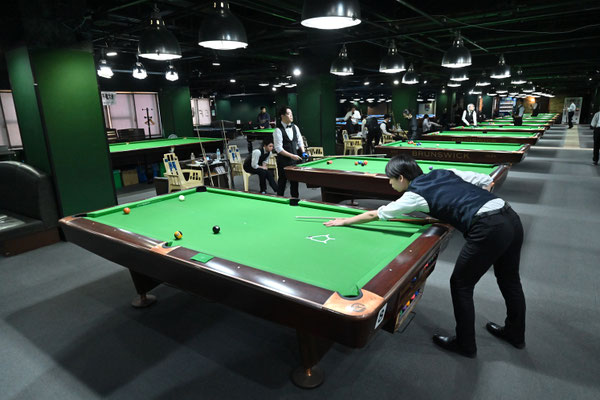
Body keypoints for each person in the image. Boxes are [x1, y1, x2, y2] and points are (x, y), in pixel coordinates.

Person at [323, 155, 526, 358]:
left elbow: (375, 214)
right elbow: (486, 181)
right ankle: (515, 333)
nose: (390, 183)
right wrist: (471, 205)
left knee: (461, 284)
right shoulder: (442, 172)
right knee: (509, 279)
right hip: (510, 216)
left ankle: (465, 344)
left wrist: (344, 221)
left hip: (489, 227)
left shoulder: (413, 195)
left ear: (401, 178)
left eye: (390, 179)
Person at [274, 106, 306, 198]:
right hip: (283, 161)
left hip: (294, 161)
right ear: (282, 116)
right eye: (289, 114)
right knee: (282, 182)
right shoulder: (277, 130)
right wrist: (292, 156)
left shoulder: (295, 127)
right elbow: (278, 148)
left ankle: (295, 201)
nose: (291, 116)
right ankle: (279, 200)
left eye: (291, 114)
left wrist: (303, 152)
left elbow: (300, 141)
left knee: (295, 183)